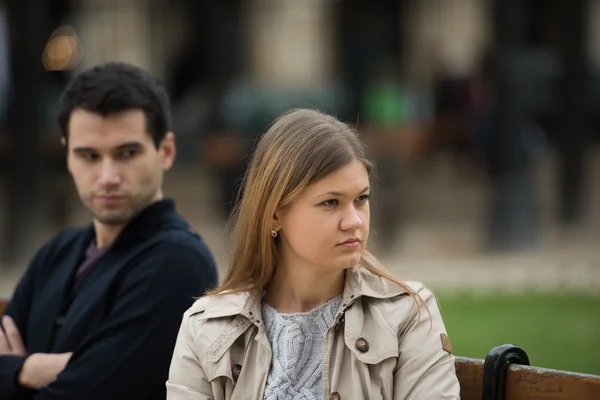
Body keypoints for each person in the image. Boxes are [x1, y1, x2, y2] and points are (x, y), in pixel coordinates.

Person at [166, 109, 460, 399]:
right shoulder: (206, 327)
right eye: (331, 202)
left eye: (361, 199)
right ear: (273, 215)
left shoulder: (407, 315)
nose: (354, 221)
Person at [0, 62, 218, 399]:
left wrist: (13, 371)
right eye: (88, 156)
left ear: (166, 151)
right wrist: (26, 371)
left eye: (127, 153)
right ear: (67, 156)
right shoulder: (57, 252)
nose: (107, 177)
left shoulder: (177, 263)